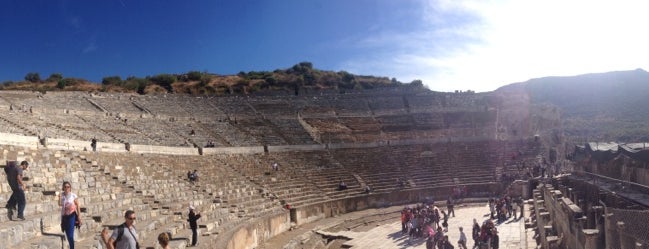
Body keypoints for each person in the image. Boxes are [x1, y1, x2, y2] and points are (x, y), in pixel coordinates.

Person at [60, 181, 81, 249]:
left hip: (72, 216)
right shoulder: (62, 195)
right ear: (63, 187)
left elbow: (77, 205)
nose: (66, 188)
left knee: (70, 235)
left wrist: (79, 216)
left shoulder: (73, 195)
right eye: (65, 187)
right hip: (64, 217)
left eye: (68, 187)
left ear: (70, 188)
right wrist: (58, 198)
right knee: (67, 234)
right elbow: (60, 204)